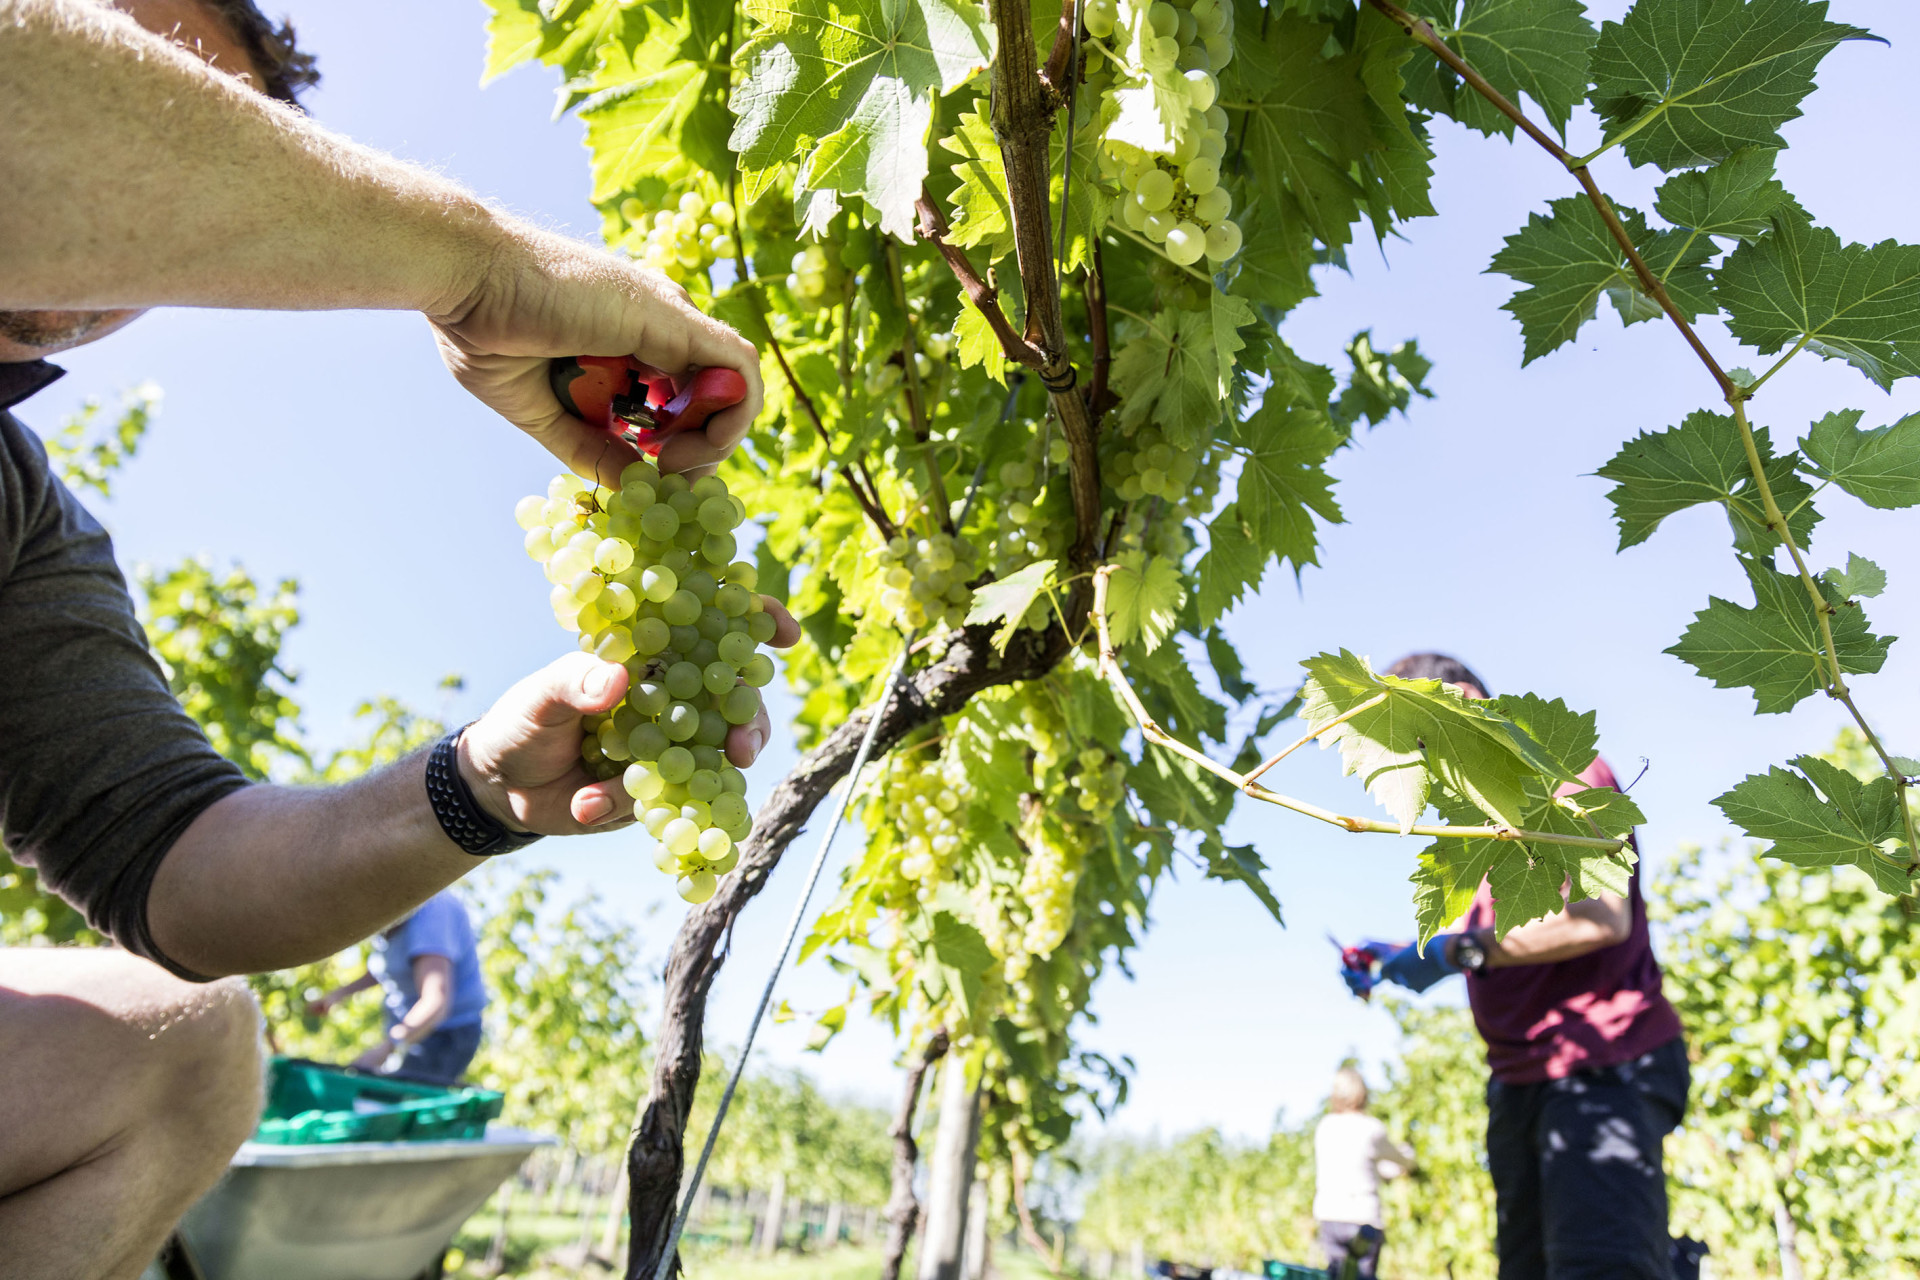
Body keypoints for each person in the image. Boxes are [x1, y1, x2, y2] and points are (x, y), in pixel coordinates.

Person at [0, 4, 794, 1276]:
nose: (166, 142)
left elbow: (174, 863)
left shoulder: (16, 519)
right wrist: (476, 268)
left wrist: (475, 786)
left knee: (189, 1044)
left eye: (217, 134)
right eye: (140, 72)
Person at [1352, 654, 1689, 1280]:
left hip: (1602, 1064)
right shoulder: (1481, 823)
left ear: (1458, 697)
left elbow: (1600, 917)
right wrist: (1407, 951)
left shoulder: (1556, 772)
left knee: (1600, 1268)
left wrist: (1463, 953)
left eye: (1414, 736)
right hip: (1520, 1077)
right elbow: (1500, 928)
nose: (1412, 763)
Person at [309, 890, 489, 1085]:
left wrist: (386, 1048)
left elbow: (435, 1002)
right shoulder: (390, 916)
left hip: (444, 1036)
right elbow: (389, 967)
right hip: (411, 1031)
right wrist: (340, 993)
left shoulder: (432, 914)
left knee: (389, 1100)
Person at [1312, 1066, 1414, 1280]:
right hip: (1362, 1218)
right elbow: (1400, 1161)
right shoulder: (1371, 1129)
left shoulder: (1325, 1127)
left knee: (1337, 1275)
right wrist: (1409, 1156)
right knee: (1363, 1276)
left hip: (1330, 1216)